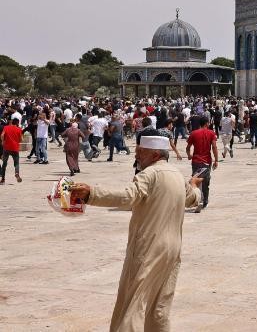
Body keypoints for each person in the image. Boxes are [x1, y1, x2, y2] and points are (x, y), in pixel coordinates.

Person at [69, 136, 202, 331]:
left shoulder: (149, 174)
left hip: (147, 248)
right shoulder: (176, 174)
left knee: (132, 304)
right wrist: (194, 185)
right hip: (172, 249)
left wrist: (92, 194)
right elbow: (192, 198)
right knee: (160, 305)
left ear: (155, 154)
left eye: (141, 151)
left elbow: (128, 196)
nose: (137, 155)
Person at [186, 116, 218, 211]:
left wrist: (189, 155)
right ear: (207, 123)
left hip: (196, 161)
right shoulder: (212, 133)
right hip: (206, 162)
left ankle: (197, 200)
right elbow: (214, 147)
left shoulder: (193, 133)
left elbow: (188, 147)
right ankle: (204, 201)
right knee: (205, 183)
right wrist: (216, 160)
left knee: (195, 181)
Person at [0, 117, 23, 184]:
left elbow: (2, 135)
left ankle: (3, 179)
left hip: (6, 148)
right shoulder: (19, 129)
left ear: (12, 122)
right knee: (16, 163)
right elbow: (21, 139)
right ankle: (16, 172)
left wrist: (3, 141)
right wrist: (17, 141)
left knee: (4, 163)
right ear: (18, 123)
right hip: (15, 148)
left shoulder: (6, 127)